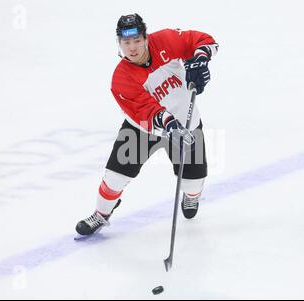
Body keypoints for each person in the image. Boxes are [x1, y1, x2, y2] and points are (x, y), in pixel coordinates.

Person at [75, 13, 218, 236]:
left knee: (193, 182)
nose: (132, 48)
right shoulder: (121, 78)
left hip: (186, 121)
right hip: (141, 128)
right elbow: (143, 110)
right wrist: (168, 123)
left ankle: (191, 196)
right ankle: (101, 215)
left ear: (146, 38)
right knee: (114, 178)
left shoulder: (167, 41)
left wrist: (200, 60)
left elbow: (203, 40)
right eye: (126, 42)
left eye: (137, 41)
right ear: (119, 43)